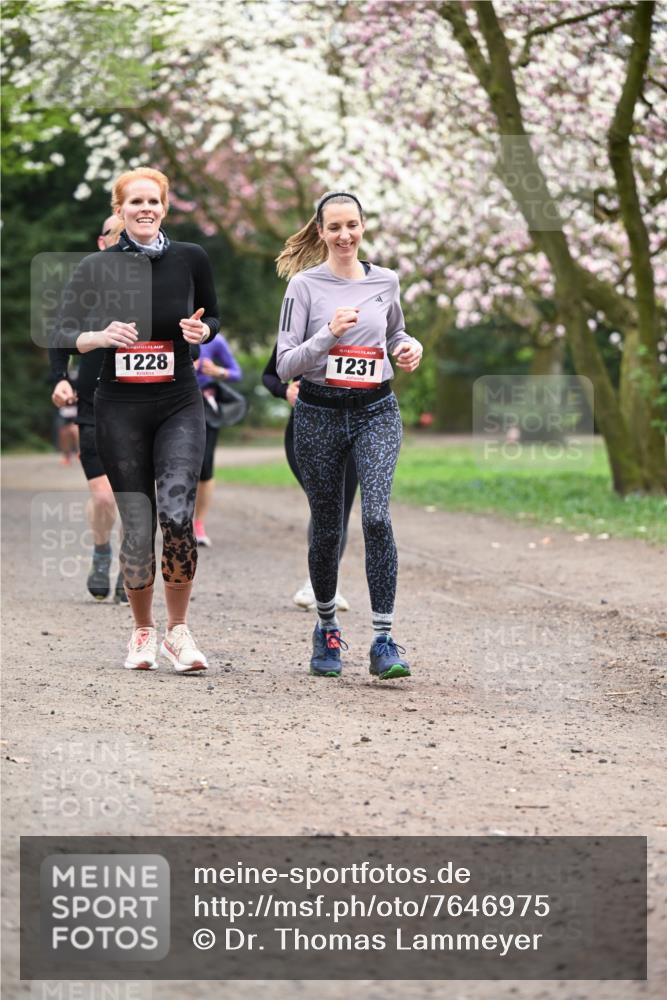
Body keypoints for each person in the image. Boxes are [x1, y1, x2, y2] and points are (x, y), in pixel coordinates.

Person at [52, 167, 219, 673]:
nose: (145, 209)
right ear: (120, 209)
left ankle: (179, 631)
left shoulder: (191, 257)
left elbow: (215, 317)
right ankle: (142, 633)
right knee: (139, 520)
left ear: (165, 206)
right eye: (135, 202)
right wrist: (100, 337)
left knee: (176, 513)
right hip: (119, 406)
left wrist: (200, 331)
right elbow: (63, 331)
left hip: (178, 402)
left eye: (154, 201)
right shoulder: (97, 267)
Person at [275, 191, 423, 680]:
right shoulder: (304, 286)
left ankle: (384, 640)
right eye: (334, 227)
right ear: (320, 232)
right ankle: (327, 627)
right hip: (317, 413)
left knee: (377, 518)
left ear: (363, 227)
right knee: (328, 523)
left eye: (352, 226)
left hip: (375, 410)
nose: (345, 236)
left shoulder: (386, 280)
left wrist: (407, 347)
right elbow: (285, 364)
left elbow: (395, 333)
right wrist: (329, 336)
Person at [49, 216, 128, 602]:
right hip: (94, 401)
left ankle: (133, 564)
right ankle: (101, 551)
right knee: (104, 497)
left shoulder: (155, 285)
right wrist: (59, 378)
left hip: (143, 404)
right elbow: (59, 333)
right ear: (102, 242)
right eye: (118, 234)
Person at [262, 343, 355, 611]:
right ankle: (318, 583)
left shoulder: (364, 328)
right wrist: (285, 390)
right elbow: (269, 375)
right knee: (324, 503)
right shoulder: (299, 330)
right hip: (306, 432)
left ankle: (326, 584)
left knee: (340, 510)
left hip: (353, 429)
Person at [194, 332, 242, 547]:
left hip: (204, 405)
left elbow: (236, 373)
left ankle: (198, 524)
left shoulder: (215, 340)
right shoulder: (168, 328)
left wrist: (216, 371)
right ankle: (177, 521)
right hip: (171, 400)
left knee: (205, 467)